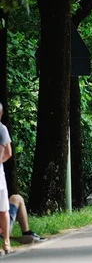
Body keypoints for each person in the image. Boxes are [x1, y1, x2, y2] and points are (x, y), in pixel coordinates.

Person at [0, 102, 12, 254]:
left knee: (3, 209)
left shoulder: (2, 129)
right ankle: (6, 242)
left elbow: (8, 152)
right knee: (2, 209)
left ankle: (7, 241)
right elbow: (8, 153)